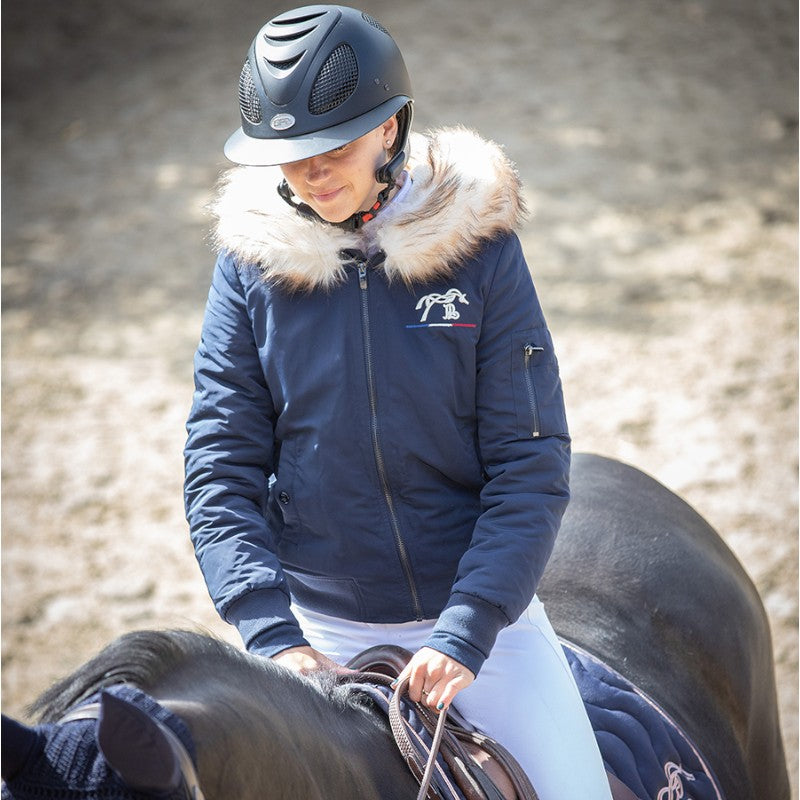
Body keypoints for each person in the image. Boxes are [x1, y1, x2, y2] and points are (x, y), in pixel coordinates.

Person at [184, 5, 613, 798]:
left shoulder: (481, 253)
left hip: (483, 624)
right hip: (314, 626)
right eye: (291, 156)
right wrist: (272, 635)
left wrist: (469, 627)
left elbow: (530, 461)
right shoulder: (249, 269)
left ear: (388, 130)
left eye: (334, 147)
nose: (313, 175)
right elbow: (219, 464)